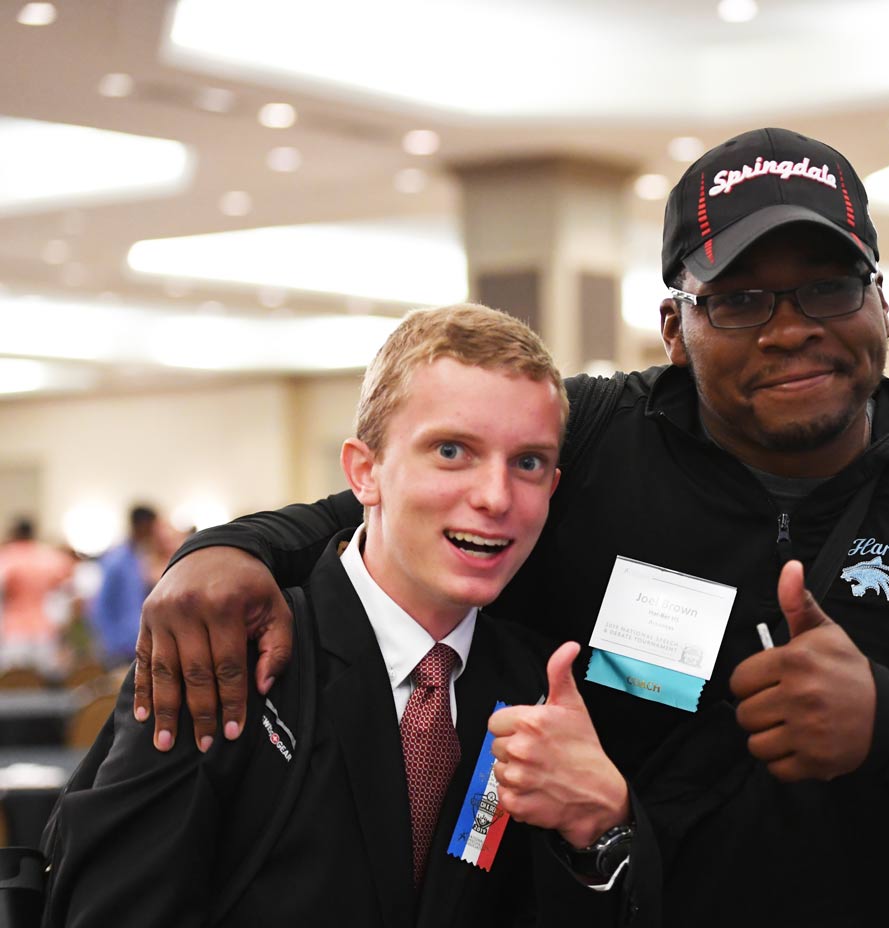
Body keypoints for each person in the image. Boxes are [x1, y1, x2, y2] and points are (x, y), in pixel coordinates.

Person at [135, 128, 889, 926]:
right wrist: (222, 552)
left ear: (882, 299)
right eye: (739, 299)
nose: (791, 328)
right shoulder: (601, 439)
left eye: (829, 286)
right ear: (674, 326)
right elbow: (383, 506)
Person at [43, 305, 653, 927]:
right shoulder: (224, 656)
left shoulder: (537, 687)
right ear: (365, 472)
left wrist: (597, 831)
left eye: (528, 462)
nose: (495, 497)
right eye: (451, 451)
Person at [87, 504, 161, 667]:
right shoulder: (116, 560)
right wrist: (111, 643)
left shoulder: (139, 557)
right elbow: (100, 605)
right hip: (120, 648)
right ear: (143, 525)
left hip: (136, 643)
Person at [0, 517, 75, 673]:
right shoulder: (50, 557)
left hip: (14, 631)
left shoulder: (6, 556)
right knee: (43, 684)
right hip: (45, 629)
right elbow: (69, 586)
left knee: (14, 683)